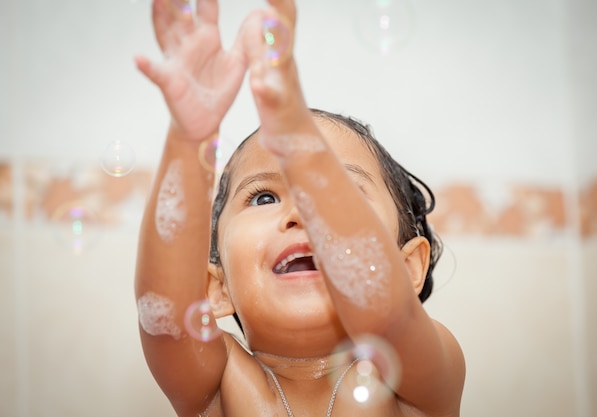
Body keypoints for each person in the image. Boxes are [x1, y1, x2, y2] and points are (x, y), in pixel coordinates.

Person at [134, 0, 465, 416]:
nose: (301, 212)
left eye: (333, 190)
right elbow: (164, 317)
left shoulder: (414, 382)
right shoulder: (219, 385)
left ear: (408, 268)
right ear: (214, 289)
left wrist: (295, 133)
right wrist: (189, 136)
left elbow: (388, 314)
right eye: (263, 198)